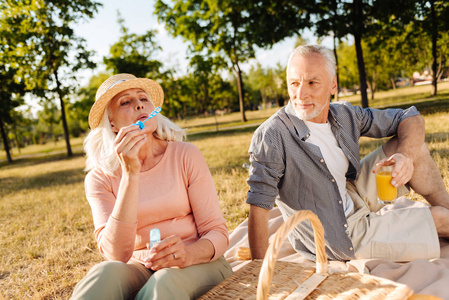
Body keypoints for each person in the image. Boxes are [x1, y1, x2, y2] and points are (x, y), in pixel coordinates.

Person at [247, 45, 449, 262]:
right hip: (341, 237)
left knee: (411, 145)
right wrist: (259, 272)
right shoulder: (272, 136)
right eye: (294, 83)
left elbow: (410, 118)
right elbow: (258, 208)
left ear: (333, 84)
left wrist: (404, 156)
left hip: (350, 194)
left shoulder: (343, 114)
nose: (300, 94)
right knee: (441, 219)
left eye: (312, 83)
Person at [71, 73, 232, 300]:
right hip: (139, 267)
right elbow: (115, 254)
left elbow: (217, 233)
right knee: (102, 274)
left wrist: (187, 254)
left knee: (164, 281)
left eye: (143, 99)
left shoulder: (186, 155)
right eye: (125, 102)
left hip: (199, 262)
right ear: (112, 123)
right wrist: (130, 174)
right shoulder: (100, 178)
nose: (138, 104)